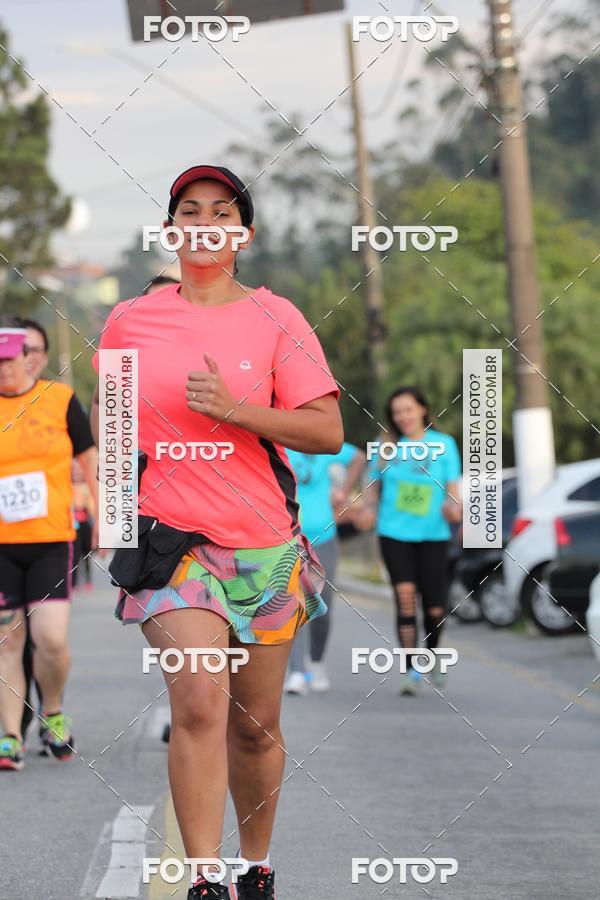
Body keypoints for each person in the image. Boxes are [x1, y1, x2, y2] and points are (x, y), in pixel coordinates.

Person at [91, 165, 343, 900]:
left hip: (263, 544)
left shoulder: (277, 318)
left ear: (243, 235)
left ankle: (254, 865)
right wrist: (115, 524)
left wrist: (236, 411)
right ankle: (203, 877)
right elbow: (113, 427)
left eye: (221, 212)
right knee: (200, 703)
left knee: (255, 725)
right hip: (171, 545)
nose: (205, 223)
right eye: (190, 211)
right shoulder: (129, 320)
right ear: (171, 232)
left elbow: (326, 431)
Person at [0, 320, 100, 769]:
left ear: (27, 359)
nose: (4, 369)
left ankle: (53, 710)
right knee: (7, 640)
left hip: (51, 540)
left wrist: (103, 517)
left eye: (10, 360)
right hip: (2, 545)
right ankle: (10, 736)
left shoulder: (58, 399)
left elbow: (90, 459)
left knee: (51, 639)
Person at [359, 387, 461, 695]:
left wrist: (453, 508)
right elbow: (372, 490)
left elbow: (453, 492)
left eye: (408, 409)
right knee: (404, 598)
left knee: (435, 608)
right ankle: (411, 671)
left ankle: (433, 653)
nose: (403, 417)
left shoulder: (444, 444)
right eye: (397, 412)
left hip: (433, 535)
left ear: (422, 409)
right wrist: (366, 510)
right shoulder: (386, 446)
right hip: (394, 534)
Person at [284, 443, 365, 694]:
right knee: (295, 604)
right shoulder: (280, 444)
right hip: (288, 537)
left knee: (321, 606)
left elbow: (359, 457)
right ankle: (297, 672)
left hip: (324, 536)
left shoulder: (321, 443)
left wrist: (343, 493)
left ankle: (316, 662)